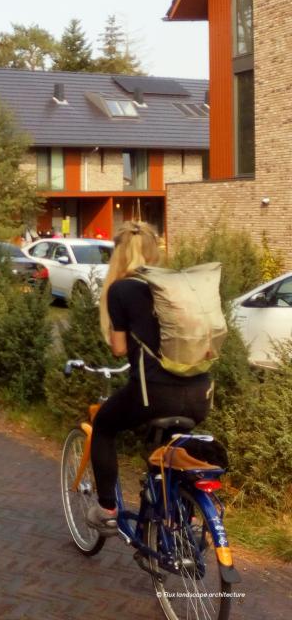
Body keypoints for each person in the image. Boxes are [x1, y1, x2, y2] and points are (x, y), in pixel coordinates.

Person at [86, 221, 213, 533]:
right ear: (154, 251)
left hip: (154, 393)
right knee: (170, 448)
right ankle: (182, 513)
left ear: (119, 253)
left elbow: (118, 348)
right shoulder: (175, 286)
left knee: (103, 425)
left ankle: (107, 509)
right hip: (199, 392)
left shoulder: (121, 289)